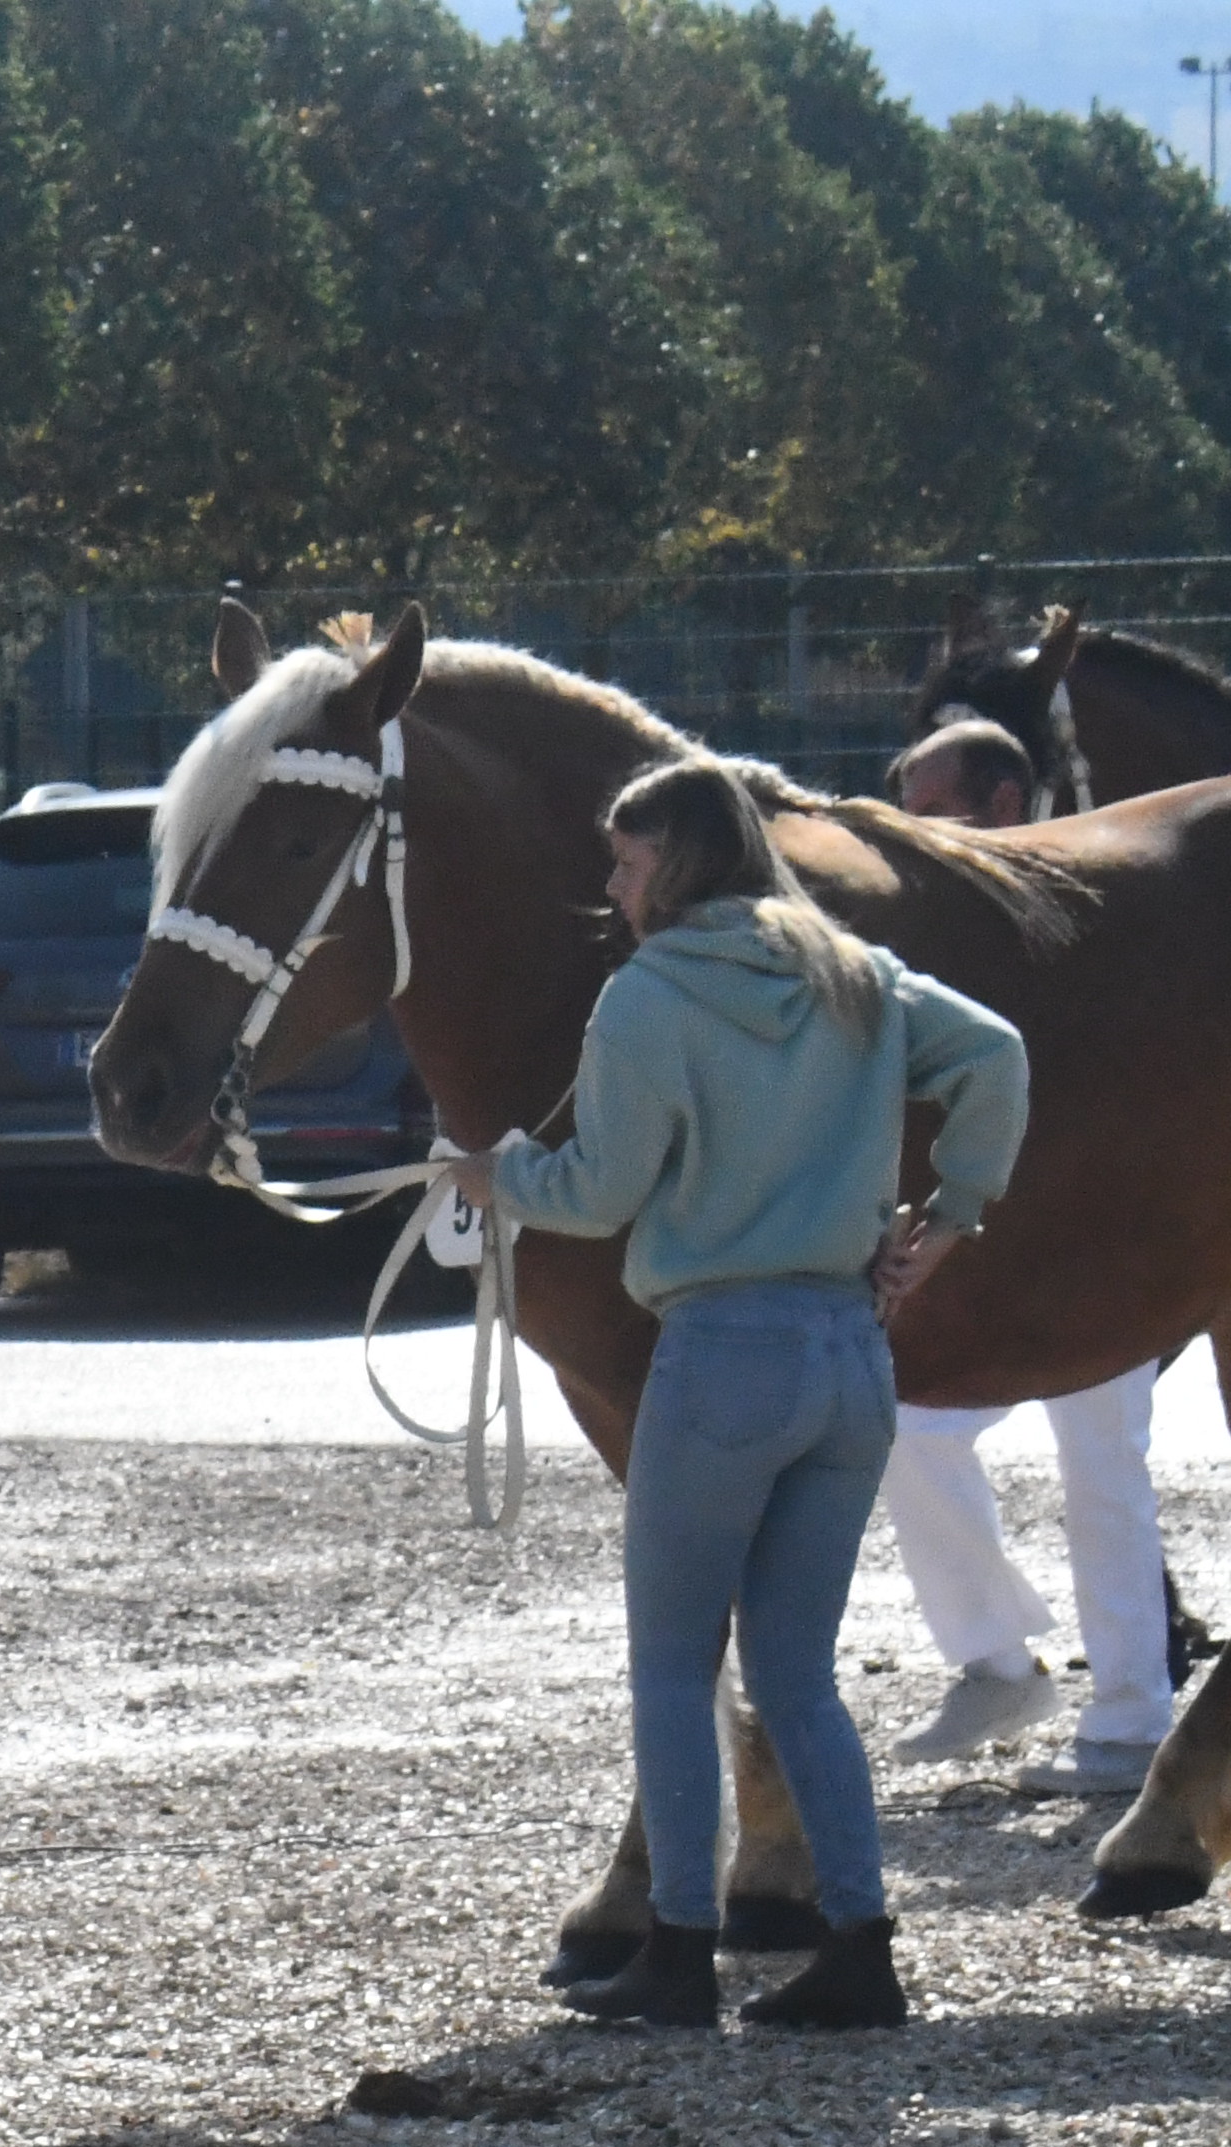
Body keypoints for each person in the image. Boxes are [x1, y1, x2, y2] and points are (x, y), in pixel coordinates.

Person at [486, 756, 1029, 2030]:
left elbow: (598, 1193)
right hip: (850, 1354)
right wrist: (951, 1216)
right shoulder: (856, 976)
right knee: (799, 1672)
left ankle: (679, 1947)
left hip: (722, 1352)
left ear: (676, 866)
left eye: (628, 863)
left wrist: (496, 1173)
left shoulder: (647, 996)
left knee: (677, 1667)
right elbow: (997, 1055)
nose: (615, 888)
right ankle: (860, 1945)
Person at [872, 713, 1184, 1800]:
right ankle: (999, 1665)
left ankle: (1132, 1720)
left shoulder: (1102, 899)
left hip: (1109, 1240)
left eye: (929, 808)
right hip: (1000, 1239)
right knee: (909, 1428)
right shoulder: (949, 915)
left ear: (1004, 803)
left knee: (1104, 1466)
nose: (909, 831)